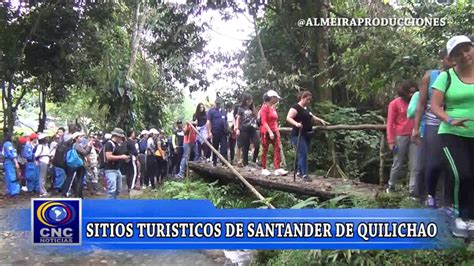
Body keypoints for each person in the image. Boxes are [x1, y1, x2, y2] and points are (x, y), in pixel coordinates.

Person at [430, 35, 474, 237]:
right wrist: (449, 119)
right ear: (452, 58)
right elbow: (435, 106)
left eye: (468, 49)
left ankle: (470, 218)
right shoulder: (446, 77)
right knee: (461, 174)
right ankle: (458, 216)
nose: (466, 55)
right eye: (459, 53)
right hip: (452, 133)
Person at [410, 49, 452, 207]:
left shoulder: (463, 76)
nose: (452, 61)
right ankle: (428, 195)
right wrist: (416, 128)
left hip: (455, 125)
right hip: (433, 123)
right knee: (432, 163)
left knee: (450, 164)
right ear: (442, 59)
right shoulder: (430, 76)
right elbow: (421, 104)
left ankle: (448, 201)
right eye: (449, 57)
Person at [386, 80, 420, 195]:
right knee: (398, 162)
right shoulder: (394, 104)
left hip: (415, 135)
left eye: (413, 93)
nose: (411, 95)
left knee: (415, 165)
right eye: (409, 93)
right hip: (400, 136)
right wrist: (391, 141)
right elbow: (390, 123)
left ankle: (412, 191)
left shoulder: (418, 102)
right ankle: (391, 186)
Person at [286, 91, 329, 182]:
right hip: (298, 135)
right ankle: (305, 174)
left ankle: (299, 171)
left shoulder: (306, 109)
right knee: (303, 153)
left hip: (307, 134)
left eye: (310, 100)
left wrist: (321, 120)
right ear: (303, 98)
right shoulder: (295, 108)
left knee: (303, 153)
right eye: (307, 99)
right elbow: (288, 118)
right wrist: (296, 124)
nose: (309, 101)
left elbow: (312, 117)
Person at [259, 90, 288, 176]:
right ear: (271, 98)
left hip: (274, 131)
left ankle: (277, 168)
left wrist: (276, 131)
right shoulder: (264, 107)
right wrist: (270, 132)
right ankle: (264, 168)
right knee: (265, 149)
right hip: (266, 132)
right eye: (275, 98)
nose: (276, 100)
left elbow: (274, 121)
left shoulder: (273, 108)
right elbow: (263, 121)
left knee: (277, 148)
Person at [61, 131, 92, 198]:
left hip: (73, 164)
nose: (82, 138)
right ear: (76, 138)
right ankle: (78, 195)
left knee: (72, 178)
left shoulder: (74, 145)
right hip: (78, 164)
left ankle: (72, 193)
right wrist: (89, 146)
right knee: (79, 180)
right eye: (80, 137)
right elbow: (85, 152)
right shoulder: (76, 145)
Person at [235, 92, 260, 169]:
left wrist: (256, 113)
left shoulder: (252, 107)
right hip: (244, 129)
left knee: (257, 144)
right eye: (247, 100)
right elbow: (238, 119)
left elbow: (257, 117)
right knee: (245, 146)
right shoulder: (241, 108)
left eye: (250, 100)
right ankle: (245, 164)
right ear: (245, 100)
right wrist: (237, 128)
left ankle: (254, 160)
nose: (249, 102)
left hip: (252, 128)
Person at [103, 128, 129, 199]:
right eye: (120, 137)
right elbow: (108, 157)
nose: (121, 138)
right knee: (112, 190)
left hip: (117, 169)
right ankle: (109, 206)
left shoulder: (117, 144)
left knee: (118, 189)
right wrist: (121, 157)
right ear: (116, 136)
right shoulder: (109, 144)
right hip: (110, 170)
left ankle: (113, 201)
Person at [207, 97, 229, 166]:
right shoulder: (211, 111)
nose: (218, 105)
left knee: (224, 147)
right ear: (215, 103)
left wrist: (228, 130)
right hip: (215, 132)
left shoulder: (223, 111)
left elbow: (226, 121)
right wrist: (209, 132)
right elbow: (208, 122)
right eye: (217, 103)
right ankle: (214, 162)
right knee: (215, 147)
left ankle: (224, 163)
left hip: (223, 132)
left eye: (219, 103)